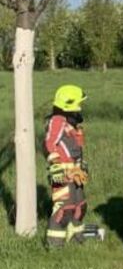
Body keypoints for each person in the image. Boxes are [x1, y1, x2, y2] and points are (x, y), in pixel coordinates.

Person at [43, 85, 101, 247]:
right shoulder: (57, 121)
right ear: (69, 105)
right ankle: (55, 245)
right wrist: (55, 165)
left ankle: (76, 237)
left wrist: (81, 164)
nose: (80, 108)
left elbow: (74, 148)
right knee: (64, 209)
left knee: (80, 206)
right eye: (78, 104)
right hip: (63, 172)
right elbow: (49, 142)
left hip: (76, 172)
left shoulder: (70, 123)